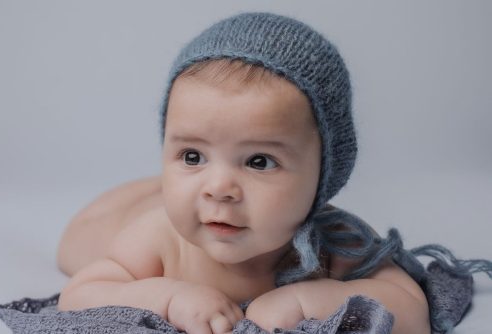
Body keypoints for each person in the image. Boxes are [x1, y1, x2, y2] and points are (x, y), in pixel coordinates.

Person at [56, 12, 431, 334]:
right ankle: (159, 188)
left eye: (259, 162)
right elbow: (77, 296)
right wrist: (167, 297)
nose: (219, 188)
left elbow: (411, 309)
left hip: (184, 206)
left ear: (324, 172)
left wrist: (309, 298)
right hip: (106, 220)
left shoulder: (336, 241)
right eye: (191, 155)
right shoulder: (159, 239)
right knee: (97, 235)